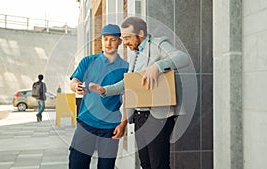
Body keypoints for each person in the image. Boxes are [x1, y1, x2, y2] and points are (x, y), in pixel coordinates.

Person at [89, 17, 191, 169]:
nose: (125, 42)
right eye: (123, 38)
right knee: (146, 164)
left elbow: (183, 58)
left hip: (157, 115)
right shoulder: (134, 54)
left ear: (141, 33)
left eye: (128, 37)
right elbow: (129, 83)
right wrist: (105, 90)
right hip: (139, 115)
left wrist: (157, 66)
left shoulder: (158, 44)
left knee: (159, 165)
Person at [68, 24, 129, 169]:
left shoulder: (126, 68)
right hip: (86, 123)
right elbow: (74, 80)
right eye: (105, 39)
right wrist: (76, 86)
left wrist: (124, 122)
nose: (108, 43)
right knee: (77, 165)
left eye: (113, 39)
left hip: (110, 127)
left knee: (106, 166)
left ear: (120, 42)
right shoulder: (88, 61)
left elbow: (129, 98)